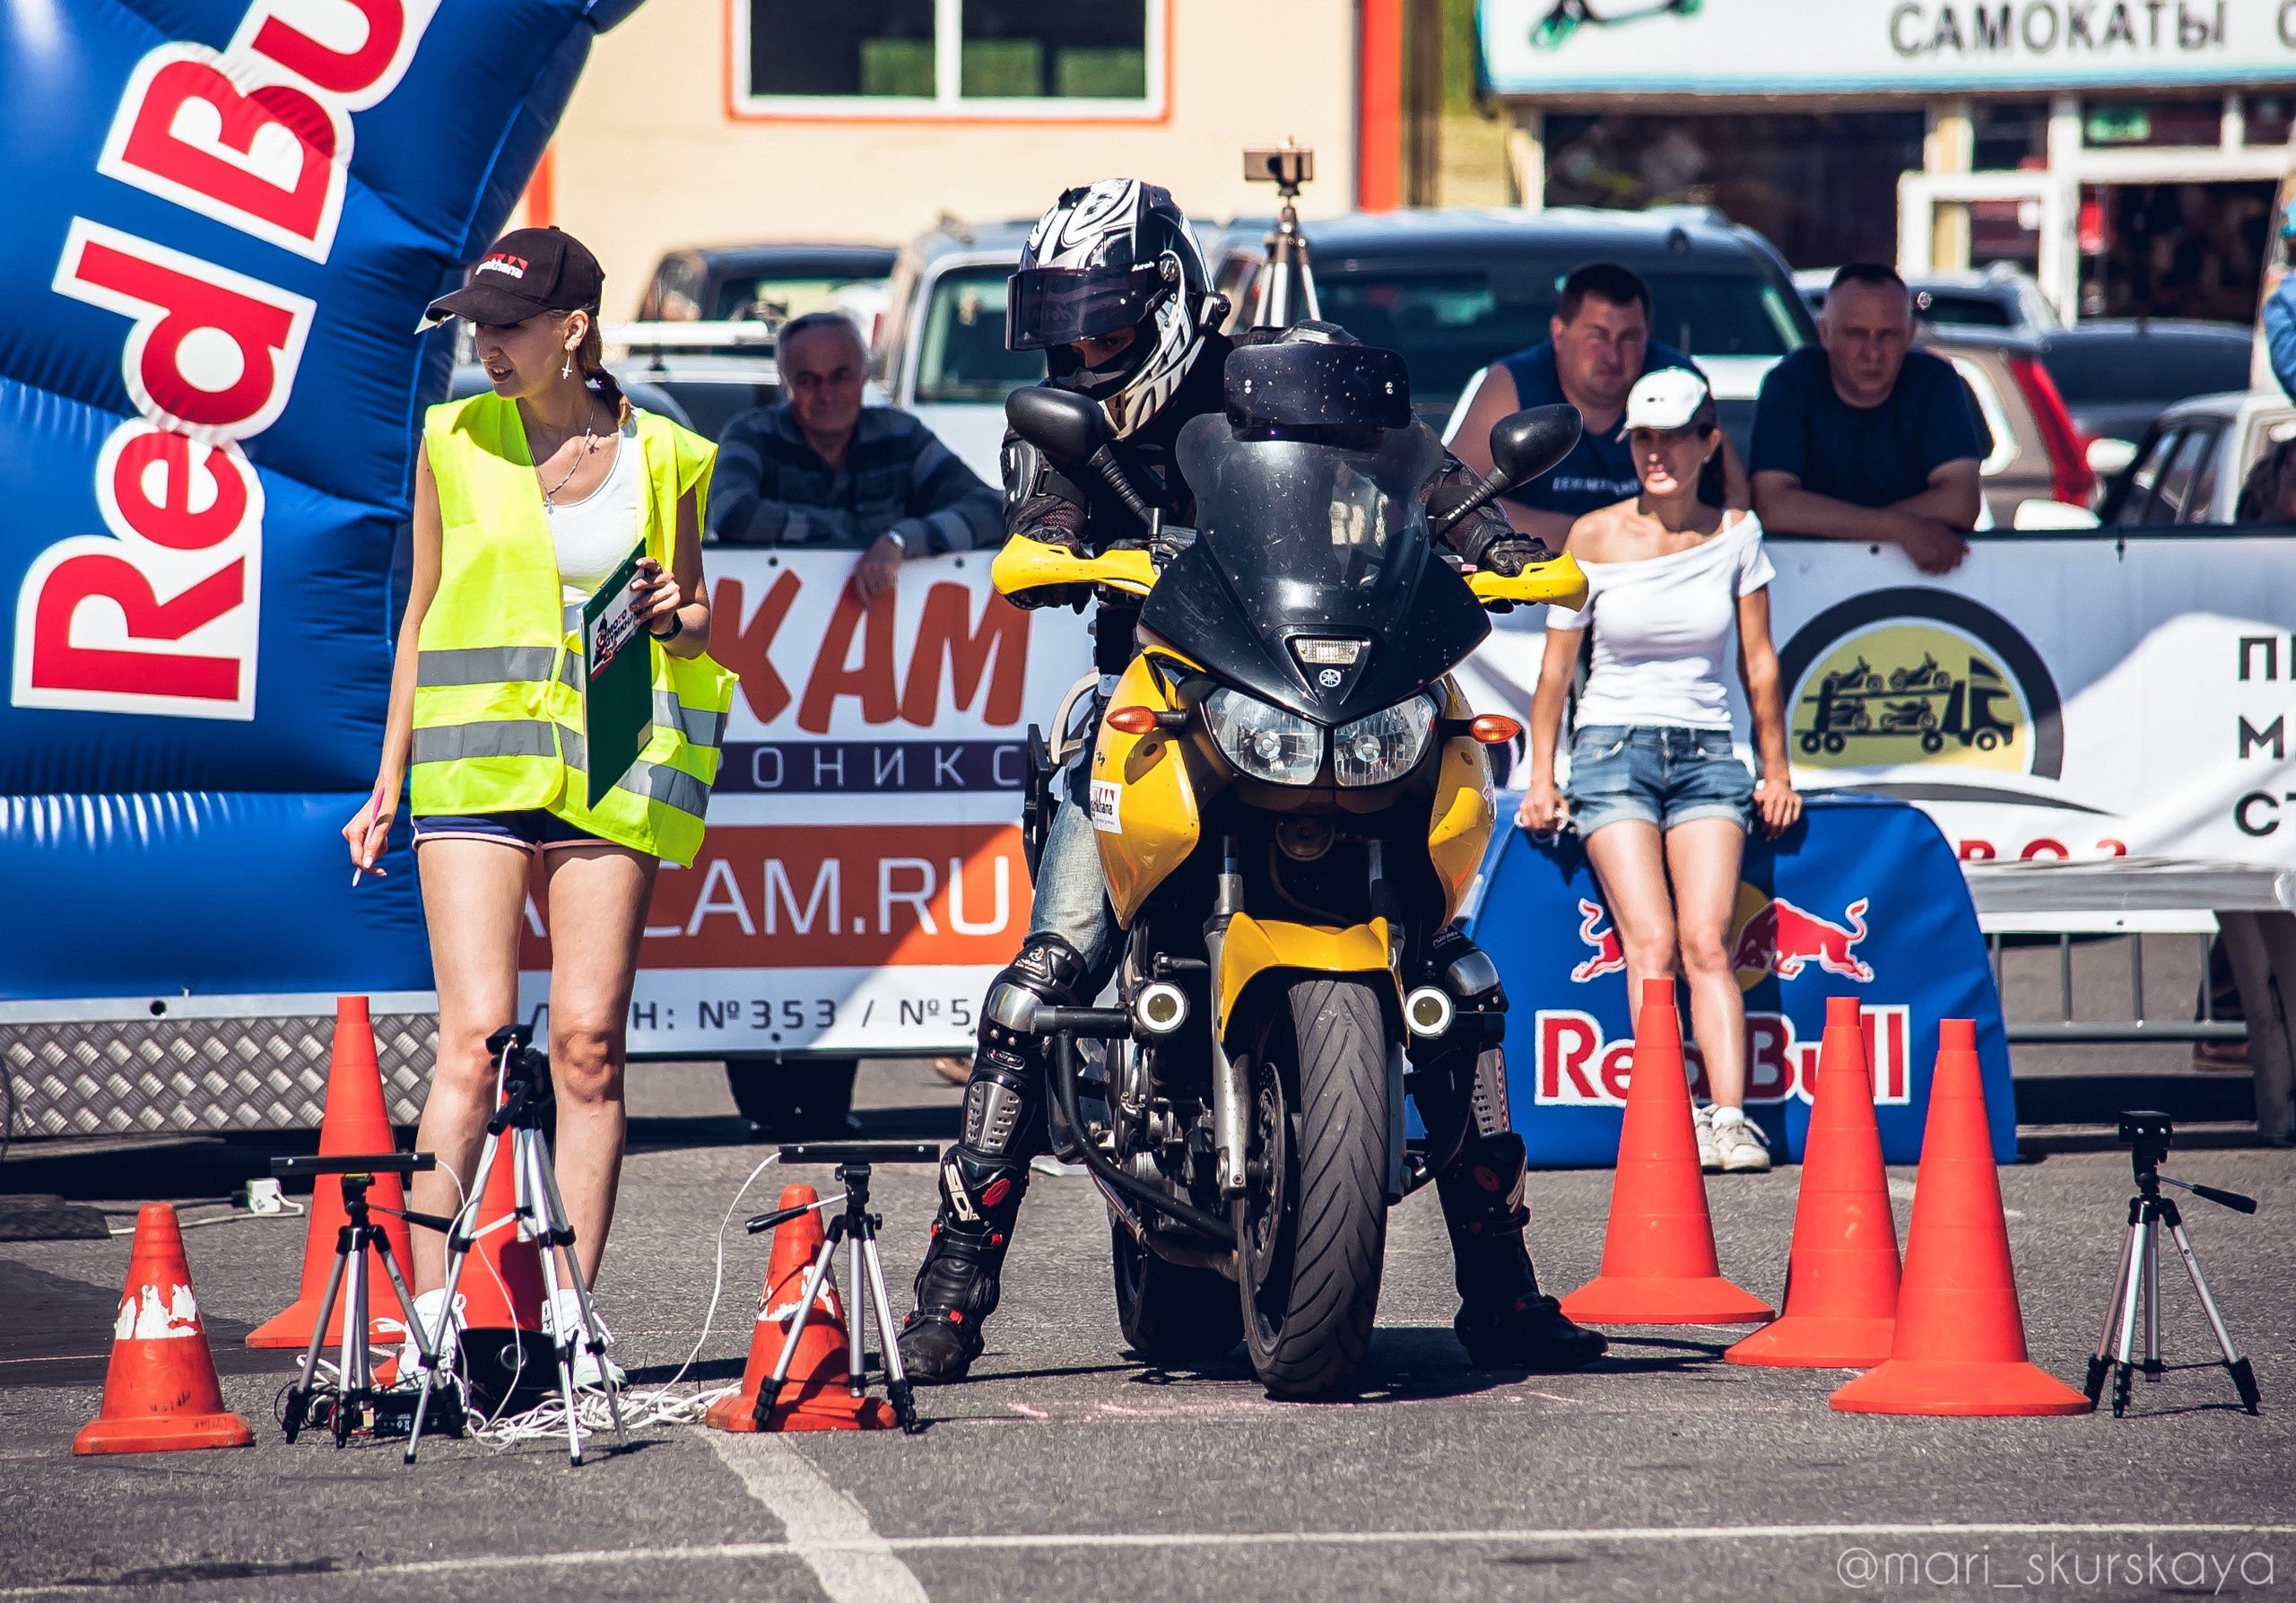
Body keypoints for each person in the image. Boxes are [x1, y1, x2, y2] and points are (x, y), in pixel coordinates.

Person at [895, 177, 1605, 1384]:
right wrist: (1052, 545)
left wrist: (1485, 536)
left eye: (1104, 326)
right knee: (1042, 978)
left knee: (1457, 976)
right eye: (1065, 331)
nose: (1081, 352)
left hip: (1320, 679)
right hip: (1163, 695)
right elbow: (1046, 514)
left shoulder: (1281, 378)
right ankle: (951, 1293)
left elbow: (1410, 463)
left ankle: (1503, 1292)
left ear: (1169, 301)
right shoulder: (1065, 419)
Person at [343, 226, 735, 1387]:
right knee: (474, 1043)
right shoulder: (452, 438)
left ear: (573, 329)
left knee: (589, 1048)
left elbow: (697, 618)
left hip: (613, 765)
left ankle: (575, 1319)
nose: (486, 345)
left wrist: (673, 614)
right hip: (473, 770)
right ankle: (424, 1323)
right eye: (476, 326)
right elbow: (419, 612)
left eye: (506, 326)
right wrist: (387, 776)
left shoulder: (666, 453)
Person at [1518, 369, 1802, 1173]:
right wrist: (1542, 777)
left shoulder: (1738, 533)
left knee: (1708, 940)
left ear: (1709, 443)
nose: (1656, 453)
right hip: (1610, 750)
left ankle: (1730, 1119)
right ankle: (1668, 1119)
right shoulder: (1591, 535)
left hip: (1709, 752)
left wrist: (1777, 771)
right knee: (1651, 941)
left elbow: (1759, 664)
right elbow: (1555, 673)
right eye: (1643, 438)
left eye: (1674, 437)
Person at [1447, 262, 1749, 547]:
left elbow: (1735, 496)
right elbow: (1454, 497)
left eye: (1629, 338)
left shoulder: (1678, 381)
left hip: (1654, 567)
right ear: (1558, 334)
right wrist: (1590, 537)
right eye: (1598, 336)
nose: (1613, 355)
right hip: (1534, 569)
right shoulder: (1514, 383)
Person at [708, 309, 1002, 600]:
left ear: (865, 374)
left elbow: (992, 510)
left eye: (841, 376)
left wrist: (900, 540)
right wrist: (842, 537)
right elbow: (732, 512)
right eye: (808, 380)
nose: (826, 395)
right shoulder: (751, 435)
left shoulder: (902, 437)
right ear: (784, 383)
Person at [1749, 263, 1985, 576]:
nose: (1872, 353)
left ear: (1911, 335)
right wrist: (1898, 528)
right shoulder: (1791, 384)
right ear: (1824, 333)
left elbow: (1962, 502)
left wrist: (1836, 523)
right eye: (1856, 334)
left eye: (1888, 335)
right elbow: (1772, 506)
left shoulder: (1934, 381)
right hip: (1812, 579)